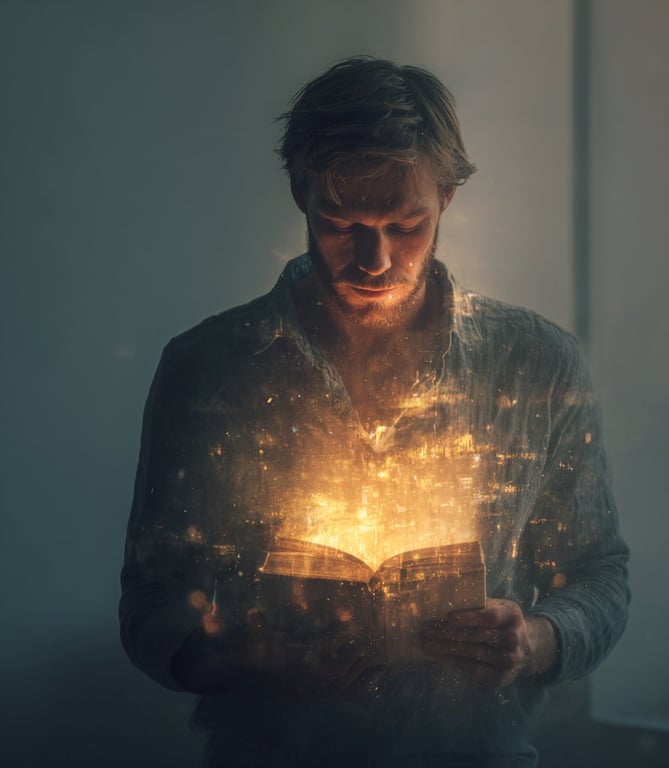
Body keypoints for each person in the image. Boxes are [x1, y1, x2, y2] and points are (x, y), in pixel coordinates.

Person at [120, 57, 629, 767]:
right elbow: (152, 600)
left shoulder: (536, 364)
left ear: (447, 197)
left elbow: (599, 572)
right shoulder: (210, 370)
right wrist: (244, 652)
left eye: (406, 224)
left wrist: (534, 640)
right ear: (301, 191)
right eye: (341, 222)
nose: (375, 259)